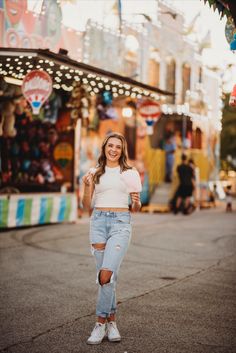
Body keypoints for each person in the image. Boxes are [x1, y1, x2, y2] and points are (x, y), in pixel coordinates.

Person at [82, 132, 141, 345]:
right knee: (107, 278)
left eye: (118, 146)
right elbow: (85, 205)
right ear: (104, 147)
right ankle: (112, 322)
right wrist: (87, 187)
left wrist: (135, 201)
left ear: (122, 150)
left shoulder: (130, 172)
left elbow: (136, 207)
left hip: (120, 223)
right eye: (110, 146)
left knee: (105, 276)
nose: (114, 149)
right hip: (98, 222)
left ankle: (99, 323)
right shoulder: (94, 172)